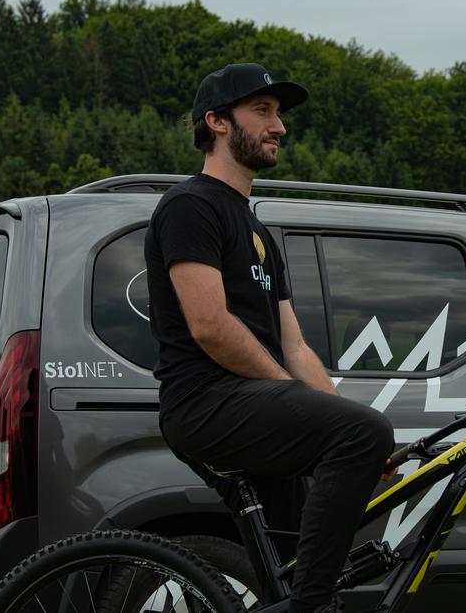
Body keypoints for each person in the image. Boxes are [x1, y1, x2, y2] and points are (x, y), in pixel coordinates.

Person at [143, 62, 396, 613]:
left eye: (279, 114)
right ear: (216, 121)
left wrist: (328, 408)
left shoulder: (256, 230)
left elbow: (295, 347)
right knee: (361, 439)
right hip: (205, 402)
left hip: (248, 405)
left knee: (289, 567)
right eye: (262, 111)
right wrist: (328, 415)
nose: (279, 126)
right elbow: (210, 326)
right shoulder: (191, 205)